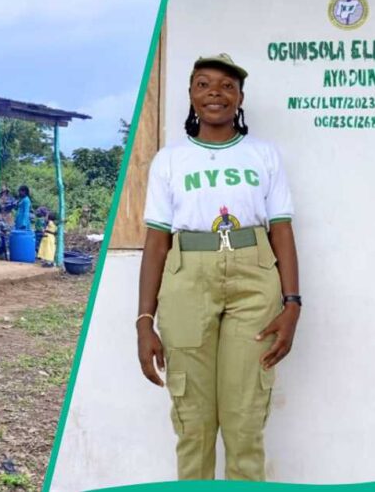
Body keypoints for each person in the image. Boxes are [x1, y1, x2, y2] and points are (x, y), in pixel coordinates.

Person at [136, 53, 301, 481]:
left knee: (245, 423)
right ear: (191, 96)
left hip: (254, 279)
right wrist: (143, 321)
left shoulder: (263, 155)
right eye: (204, 84)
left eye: (227, 86)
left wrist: (292, 304)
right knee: (194, 425)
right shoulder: (170, 161)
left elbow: (281, 230)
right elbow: (157, 242)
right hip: (187, 279)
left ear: (240, 98)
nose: (215, 93)